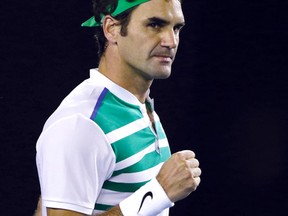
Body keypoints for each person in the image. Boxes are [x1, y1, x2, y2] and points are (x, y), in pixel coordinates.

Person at [35, 0, 201, 215]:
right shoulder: (83, 123)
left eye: (176, 27)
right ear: (111, 29)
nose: (171, 41)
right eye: (155, 25)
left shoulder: (139, 105)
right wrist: (158, 193)